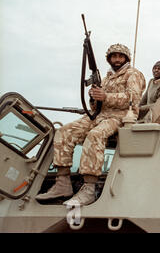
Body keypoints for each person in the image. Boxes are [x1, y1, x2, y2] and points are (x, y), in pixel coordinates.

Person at [36, 43, 146, 206]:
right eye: (113, 56)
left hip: (120, 116)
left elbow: (133, 98)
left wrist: (106, 96)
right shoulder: (107, 77)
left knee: (95, 136)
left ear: (126, 58)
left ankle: (89, 188)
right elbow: (95, 106)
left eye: (120, 56)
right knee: (64, 132)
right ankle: (62, 183)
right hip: (99, 115)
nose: (117, 59)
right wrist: (94, 97)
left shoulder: (133, 74)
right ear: (109, 59)